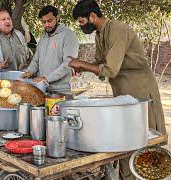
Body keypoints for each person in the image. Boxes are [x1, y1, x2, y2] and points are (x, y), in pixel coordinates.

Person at [69, 0, 167, 179]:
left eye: (82, 22)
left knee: (144, 143)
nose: (81, 26)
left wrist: (82, 64)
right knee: (125, 141)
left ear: (92, 16)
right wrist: (82, 66)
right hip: (122, 93)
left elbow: (110, 70)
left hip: (140, 90)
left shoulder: (117, 29)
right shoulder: (99, 34)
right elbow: (99, 64)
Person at [21, 5, 79, 98]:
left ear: (57, 18)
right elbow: (36, 60)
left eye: (50, 21)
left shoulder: (68, 35)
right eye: (43, 22)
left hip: (61, 92)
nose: (47, 25)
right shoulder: (43, 38)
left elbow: (68, 64)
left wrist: (47, 78)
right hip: (43, 90)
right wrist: (29, 71)